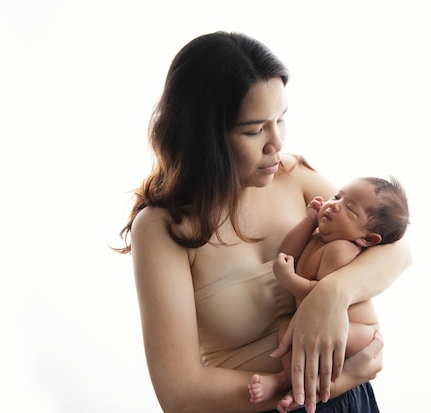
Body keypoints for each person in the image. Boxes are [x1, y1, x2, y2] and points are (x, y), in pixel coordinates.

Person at [116, 31, 412, 413]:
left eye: (281, 119)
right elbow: (181, 394)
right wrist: (336, 380)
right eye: (254, 130)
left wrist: (331, 294)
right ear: (205, 137)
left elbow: (397, 249)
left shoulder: (294, 175)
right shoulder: (163, 228)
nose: (276, 143)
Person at [248, 176, 409, 411]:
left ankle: (284, 382)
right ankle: (289, 379)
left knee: (294, 334)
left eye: (350, 209)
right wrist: (308, 222)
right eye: (337, 196)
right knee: (286, 330)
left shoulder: (340, 250)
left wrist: (289, 280)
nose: (335, 204)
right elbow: (286, 254)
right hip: (323, 328)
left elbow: (320, 294)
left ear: (367, 238)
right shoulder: (320, 237)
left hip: (360, 334)